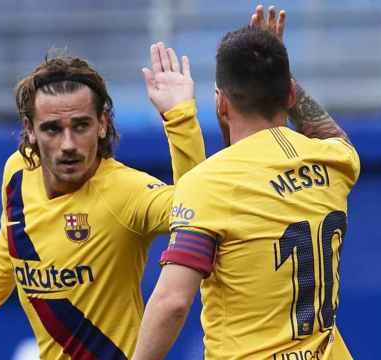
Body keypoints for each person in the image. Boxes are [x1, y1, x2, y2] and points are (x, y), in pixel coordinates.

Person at [0, 46, 205, 360]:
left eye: (80, 126)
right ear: (30, 131)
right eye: (52, 129)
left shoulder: (126, 193)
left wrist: (180, 119)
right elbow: (10, 244)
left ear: (102, 124)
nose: (68, 145)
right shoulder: (18, 172)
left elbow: (198, 209)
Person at [132, 5, 359, 360]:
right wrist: (279, 76)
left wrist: (179, 117)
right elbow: (335, 136)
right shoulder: (336, 161)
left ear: (221, 104)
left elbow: (174, 302)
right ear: (290, 96)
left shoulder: (210, 184)